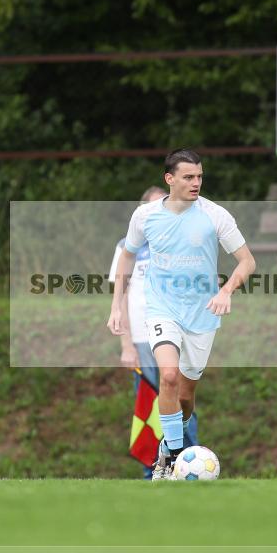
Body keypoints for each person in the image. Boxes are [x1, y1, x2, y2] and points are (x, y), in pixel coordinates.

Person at [107, 149, 255, 480]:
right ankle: (172, 459)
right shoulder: (145, 216)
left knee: (185, 399)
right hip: (162, 309)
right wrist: (116, 305)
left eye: (199, 176)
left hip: (202, 315)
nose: (196, 183)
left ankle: (166, 446)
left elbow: (247, 261)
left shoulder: (215, 215)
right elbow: (127, 257)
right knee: (168, 377)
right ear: (169, 179)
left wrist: (225, 291)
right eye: (188, 177)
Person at [108, 186, 198, 479]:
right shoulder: (126, 247)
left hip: (176, 333)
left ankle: (188, 461)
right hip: (142, 340)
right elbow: (120, 295)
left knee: (182, 398)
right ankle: (153, 468)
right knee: (149, 402)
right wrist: (126, 345)